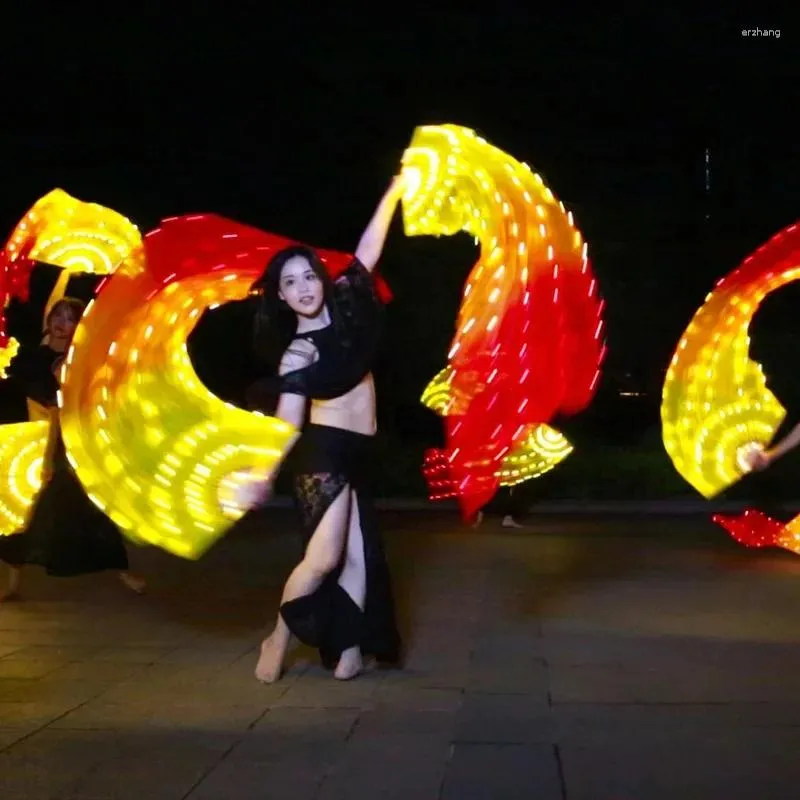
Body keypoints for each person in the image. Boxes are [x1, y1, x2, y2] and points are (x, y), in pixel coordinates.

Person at [242, 177, 405, 683]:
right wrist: (260, 472)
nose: (303, 288)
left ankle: (350, 647)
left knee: (361, 554)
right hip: (324, 455)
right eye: (289, 283)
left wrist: (396, 191)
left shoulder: (347, 314)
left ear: (320, 277)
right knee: (324, 557)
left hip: (357, 451)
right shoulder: (300, 351)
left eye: (307, 276)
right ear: (282, 296)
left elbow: (367, 252)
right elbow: (288, 421)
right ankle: (279, 637)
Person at [0, 298, 145, 601]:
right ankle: (12, 579)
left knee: (80, 505)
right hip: (30, 440)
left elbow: (62, 410)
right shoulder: (29, 357)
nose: (60, 323)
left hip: (64, 442)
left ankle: (118, 568)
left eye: (69, 318)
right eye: (57, 315)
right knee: (30, 509)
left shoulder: (73, 362)